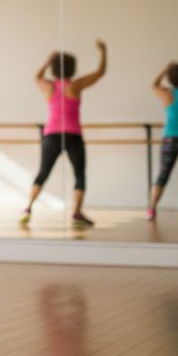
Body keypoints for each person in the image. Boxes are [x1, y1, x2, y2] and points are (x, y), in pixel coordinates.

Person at [21, 41, 107, 227]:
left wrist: (47, 60)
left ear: (53, 69)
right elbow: (100, 73)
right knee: (80, 175)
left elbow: (36, 76)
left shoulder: (49, 87)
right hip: (72, 134)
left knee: (43, 173)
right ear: (72, 68)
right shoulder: (74, 86)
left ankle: (28, 207)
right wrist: (103, 51)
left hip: (51, 134)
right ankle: (76, 212)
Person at [149, 62, 178, 221]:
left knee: (162, 175)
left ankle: (152, 209)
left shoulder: (166, 94)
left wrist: (165, 69)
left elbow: (154, 84)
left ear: (170, 79)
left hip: (169, 139)